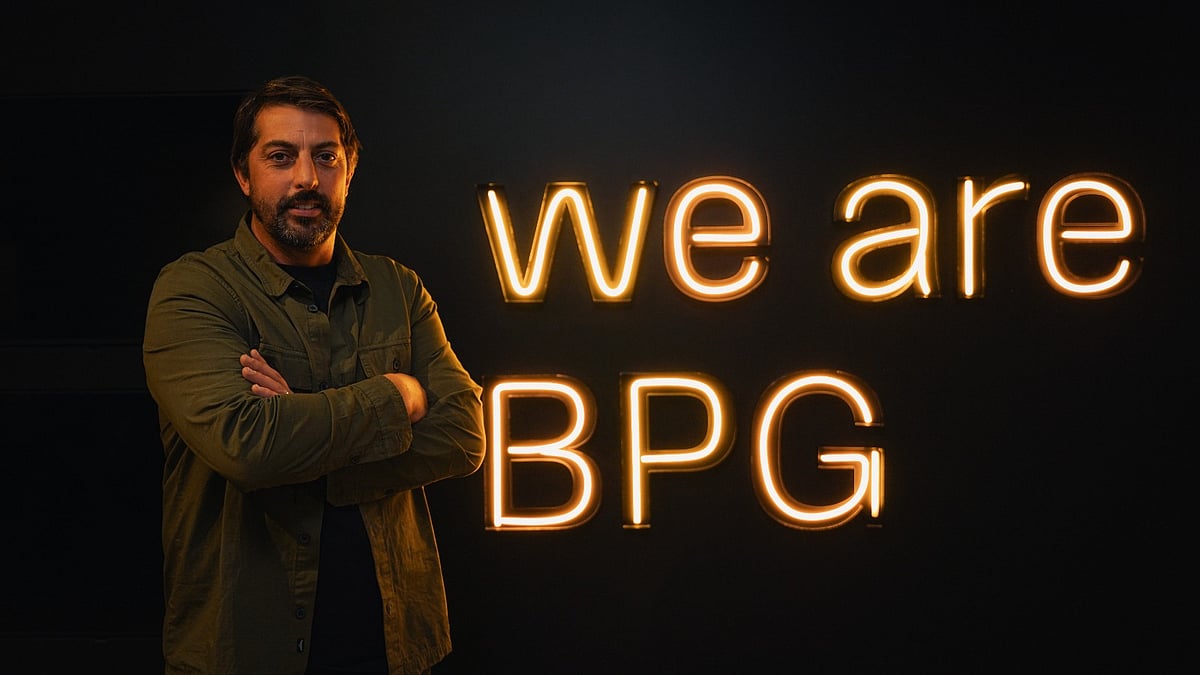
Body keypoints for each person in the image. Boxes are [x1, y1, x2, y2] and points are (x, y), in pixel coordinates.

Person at [143, 74, 486, 675]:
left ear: (348, 172)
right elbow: (247, 446)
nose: (306, 178)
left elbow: (463, 435)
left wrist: (298, 423)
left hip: (394, 649)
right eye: (281, 157)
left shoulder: (398, 288)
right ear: (243, 174)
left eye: (326, 157)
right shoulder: (194, 289)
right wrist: (397, 395)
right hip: (243, 653)